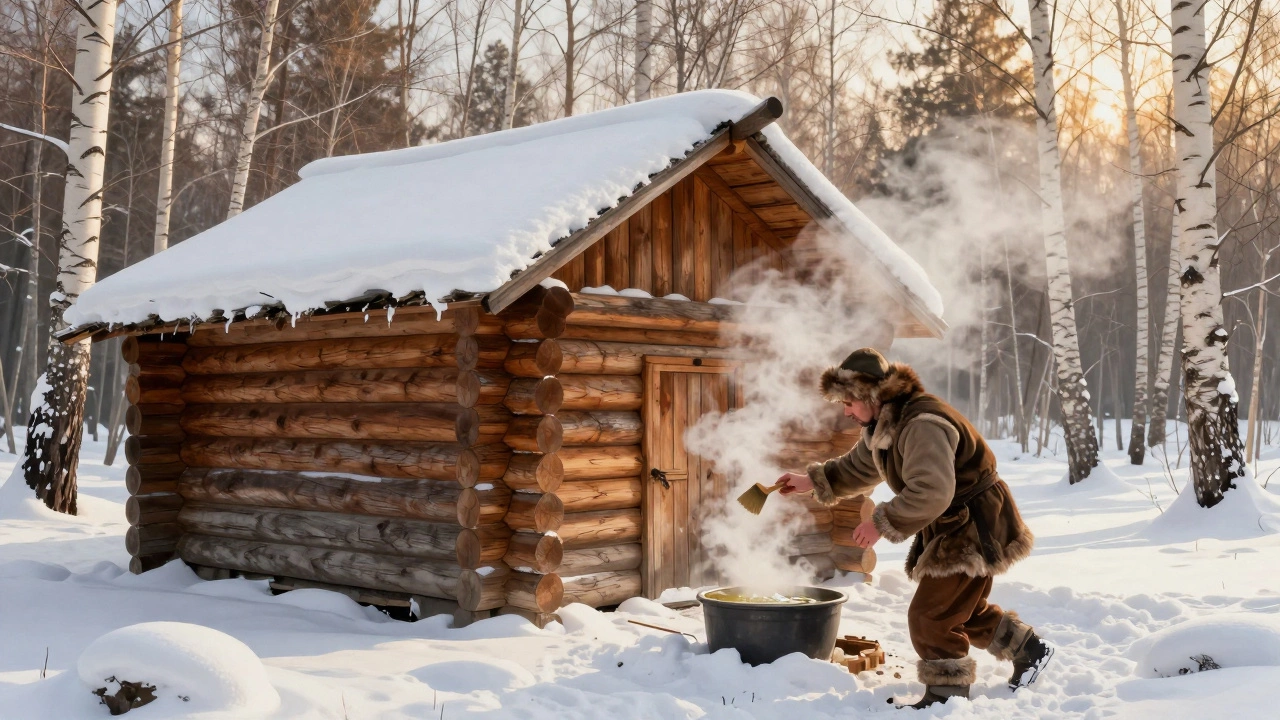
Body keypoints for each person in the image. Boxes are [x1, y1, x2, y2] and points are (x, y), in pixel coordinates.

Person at [778, 348, 1053, 709]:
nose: (845, 410)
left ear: (870, 395)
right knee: (959, 609)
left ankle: (946, 698)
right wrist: (811, 481)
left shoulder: (922, 424)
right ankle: (1030, 650)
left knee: (930, 616)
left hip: (975, 526)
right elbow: (858, 468)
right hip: (953, 523)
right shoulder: (884, 423)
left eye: (848, 401)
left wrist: (882, 523)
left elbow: (932, 490)